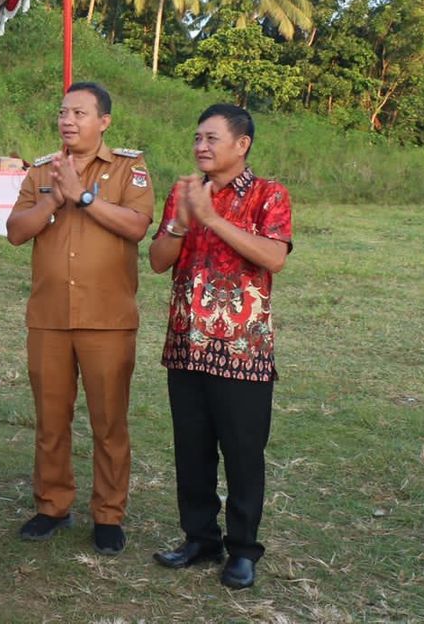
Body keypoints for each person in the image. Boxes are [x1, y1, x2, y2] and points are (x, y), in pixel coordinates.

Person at [4, 82, 154, 556]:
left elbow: (136, 226)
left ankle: (108, 513)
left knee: (109, 422)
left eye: (80, 113)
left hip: (107, 318)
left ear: (104, 122)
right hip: (49, 316)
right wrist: (54, 198)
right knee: (51, 419)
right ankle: (52, 505)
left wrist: (85, 199)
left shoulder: (130, 168)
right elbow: (14, 232)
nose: (68, 120)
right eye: (63, 112)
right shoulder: (41, 171)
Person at [149, 104, 292, 591]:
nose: (200, 146)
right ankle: (199, 538)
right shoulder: (184, 192)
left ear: (241, 144)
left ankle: (243, 549)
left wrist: (214, 218)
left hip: (242, 351)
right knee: (191, 450)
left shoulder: (270, 195)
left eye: (211, 138)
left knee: (243, 452)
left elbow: (274, 256)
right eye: (197, 138)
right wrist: (184, 222)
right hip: (186, 345)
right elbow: (157, 261)